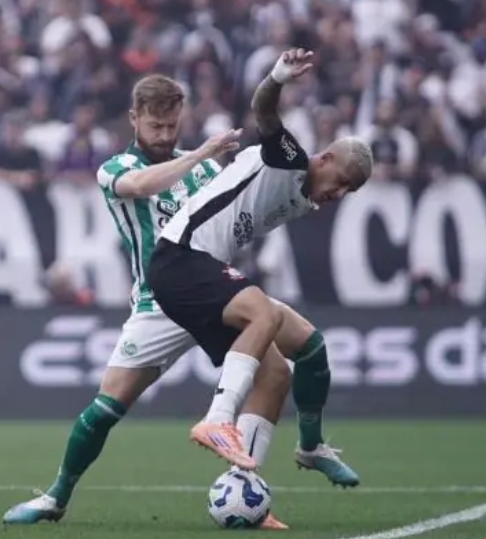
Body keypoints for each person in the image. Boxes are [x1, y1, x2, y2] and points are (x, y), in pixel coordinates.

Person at [3, 71, 353, 531]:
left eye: (172, 127)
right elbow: (142, 187)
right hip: (159, 301)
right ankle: (56, 496)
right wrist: (205, 153)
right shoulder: (116, 168)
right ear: (134, 119)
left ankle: (245, 488)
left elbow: (242, 203)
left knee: (280, 369)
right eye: (156, 127)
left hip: (215, 287)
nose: (166, 136)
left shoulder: (204, 165)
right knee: (108, 406)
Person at [148, 49, 373, 475]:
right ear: (323, 159)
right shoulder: (289, 158)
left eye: (350, 192)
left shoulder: (308, 197)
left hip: (202, 270)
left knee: (301, 356)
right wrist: (277, 77)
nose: (339, 194)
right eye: (341, 182)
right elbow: (263, 111)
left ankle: (266, 473)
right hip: (180, 257)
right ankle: (218, 419)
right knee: (263, 314)